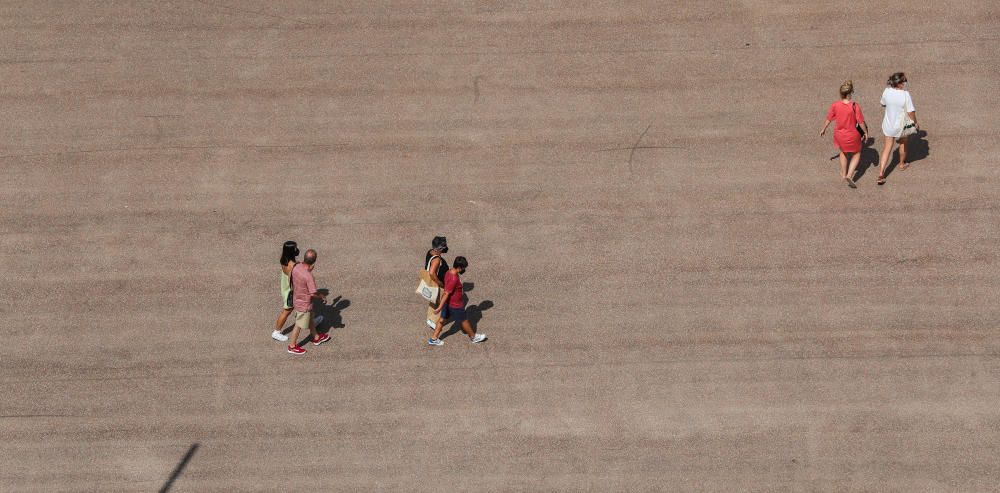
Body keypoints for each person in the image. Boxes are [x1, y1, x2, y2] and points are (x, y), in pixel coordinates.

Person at [429, 256, 487, 346]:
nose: (464, 270)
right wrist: (439, 307)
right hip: (455, 305)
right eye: (464, 268)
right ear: (460, 267)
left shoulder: (448, 272)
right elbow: (446, 293)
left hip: (448, 303)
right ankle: (473, 337)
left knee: (442, 320)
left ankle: (433, 338)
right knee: (464, 320)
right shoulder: (454, 278)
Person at [820, 80, 868, 188]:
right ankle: (850, 175)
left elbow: (828, 119)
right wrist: (865, 132)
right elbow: (860, 122)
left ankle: (843, 173)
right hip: (853, 135)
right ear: (850, 93)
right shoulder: (855, 106)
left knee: (843, 151)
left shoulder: (835, 105)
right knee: (856, 153)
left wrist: (823, 129)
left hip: (840, 135)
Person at [272, 241, 321, 342]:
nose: (297, 250)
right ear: (291, 251)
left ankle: (310, 322)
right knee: (287, 310)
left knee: (305, 307)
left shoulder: (285, 259)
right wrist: (308, 271)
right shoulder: (291, 265)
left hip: (287, 287)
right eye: (295, 248)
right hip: (290, 291)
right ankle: (276, 332)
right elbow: (298, 277)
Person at [876, 72, 919, 185]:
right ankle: (901, 164)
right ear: (899, 83)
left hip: (889, 125)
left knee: (887, 148)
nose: (905, 83)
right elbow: (911, 112)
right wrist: (915, 122)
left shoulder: (886, 91)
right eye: (904, 81)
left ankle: (881, 173)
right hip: (901, 126)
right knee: (903, 144)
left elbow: (883, 103)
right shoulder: (905, 95)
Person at [287, 249, 330, 354]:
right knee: (299, 324)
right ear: (314, 261)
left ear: (304, 258)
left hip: (297, 299)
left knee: (310, 317)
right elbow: (313, 293)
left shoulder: (296, 266)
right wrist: (321, 296)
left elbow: (290, 278)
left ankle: (316, 337)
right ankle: (292, 346)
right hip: (304, 304)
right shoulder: (308, 276)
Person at [423, 236, 449, 330]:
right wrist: (440, 284)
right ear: (438, 248)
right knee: (442, 303)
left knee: (433, 300)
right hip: (438, 285)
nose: (445, 248)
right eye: (443, 247)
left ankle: (430, 319)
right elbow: (431, 273)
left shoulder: (430, 252)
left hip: (431, 285)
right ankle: (434, 320)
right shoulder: (436, 259)